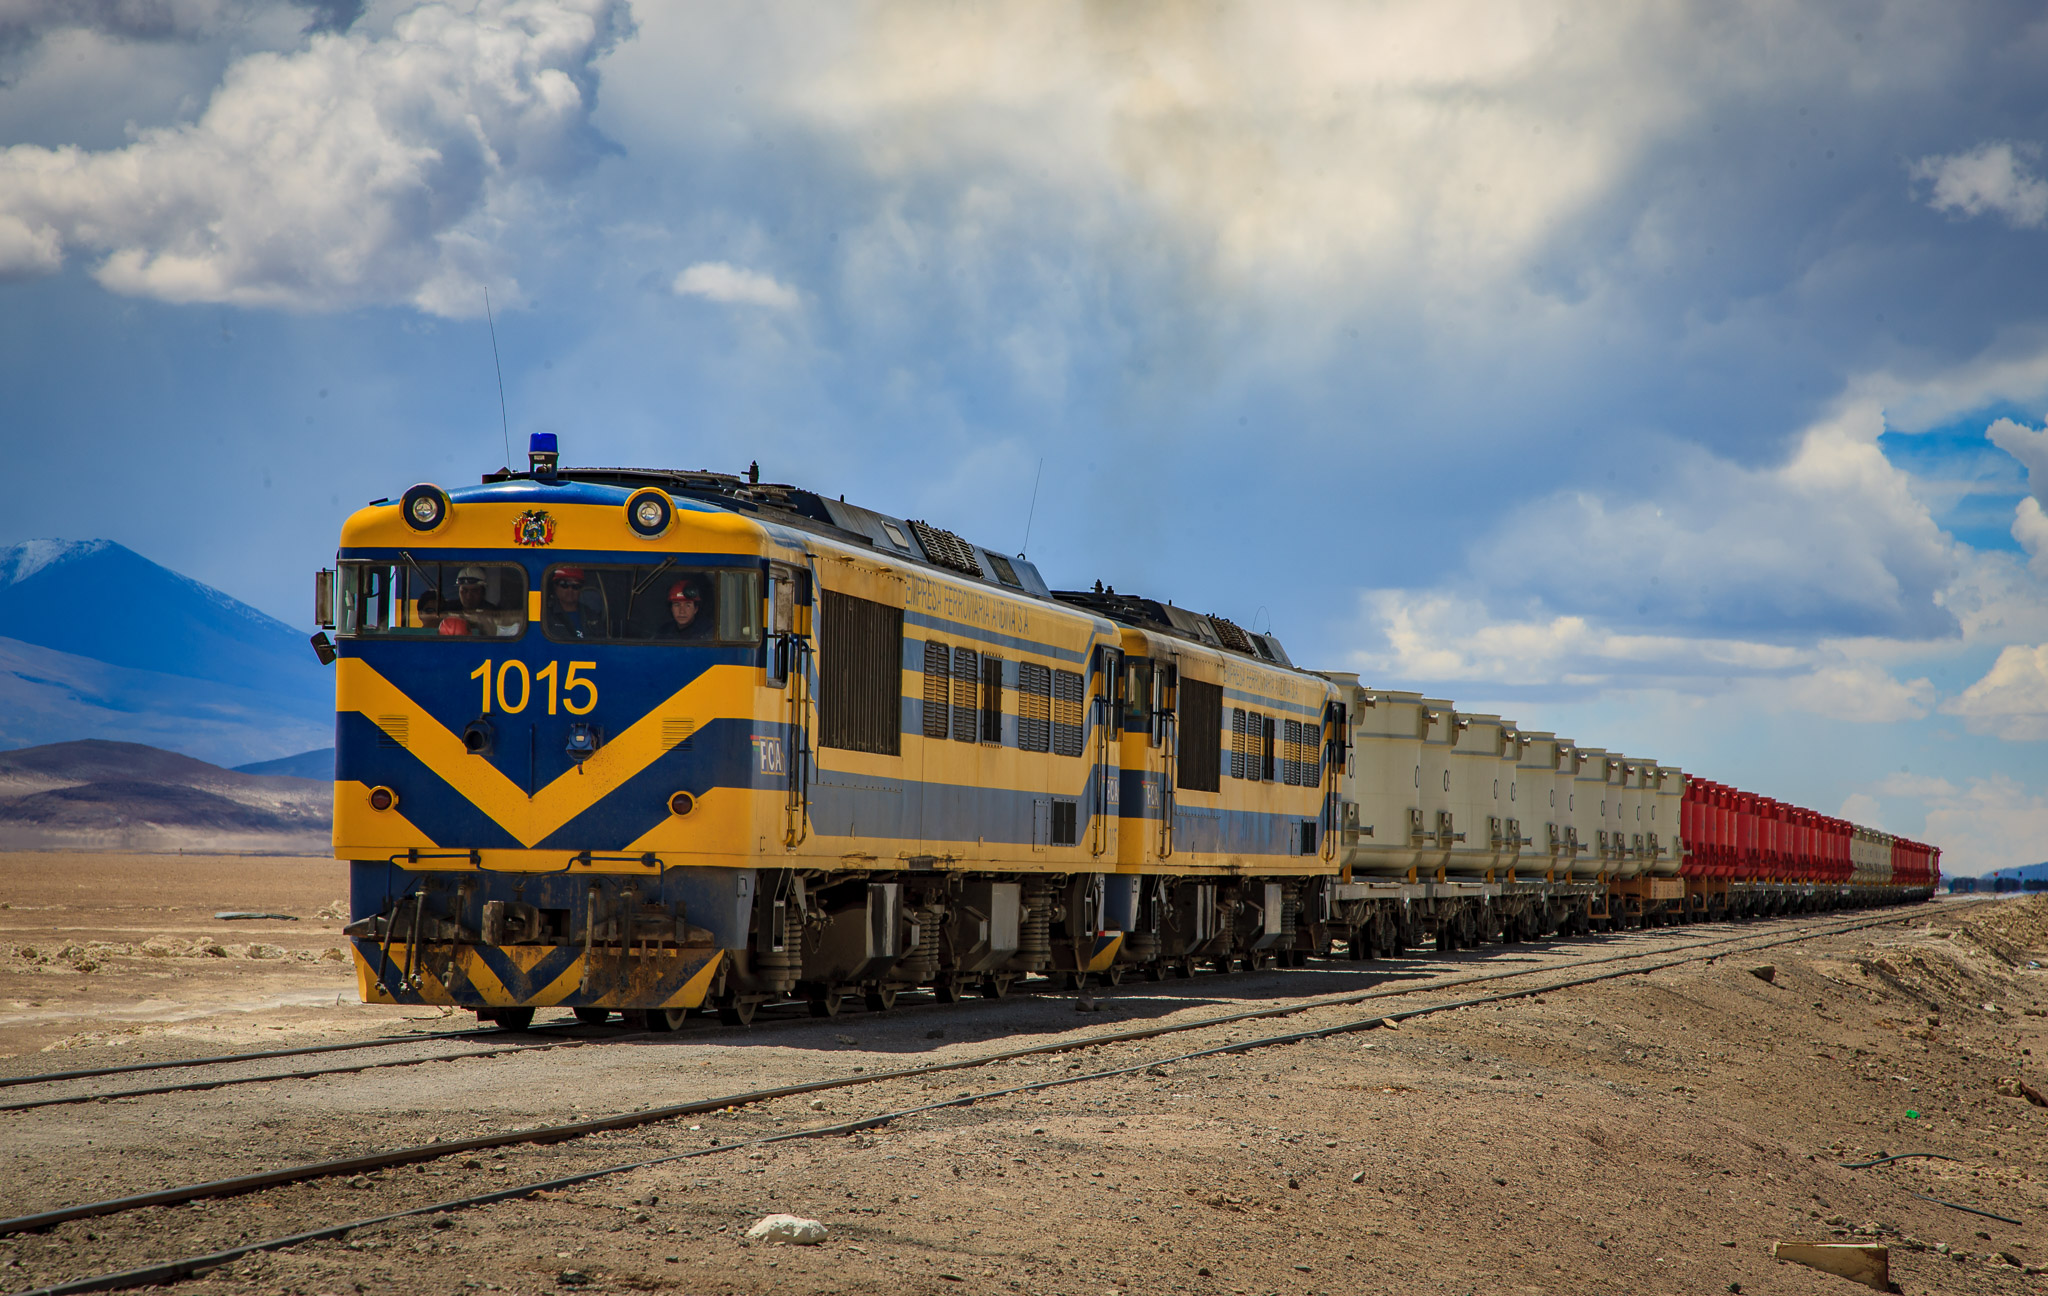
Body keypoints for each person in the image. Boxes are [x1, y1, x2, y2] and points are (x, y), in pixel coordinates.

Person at [452, 565, 522, 638]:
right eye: (464, 591)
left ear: (483, 592)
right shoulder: (450, 608)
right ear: (459, 591)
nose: (468, 596)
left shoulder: (493, 612)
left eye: (475, 591)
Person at [546, 567, 597, 640]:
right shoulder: (546, 615)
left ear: (581, 589)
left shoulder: (591, 615)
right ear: (555, 587)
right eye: (564, 584)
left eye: (575, 586)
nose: (570, 590)